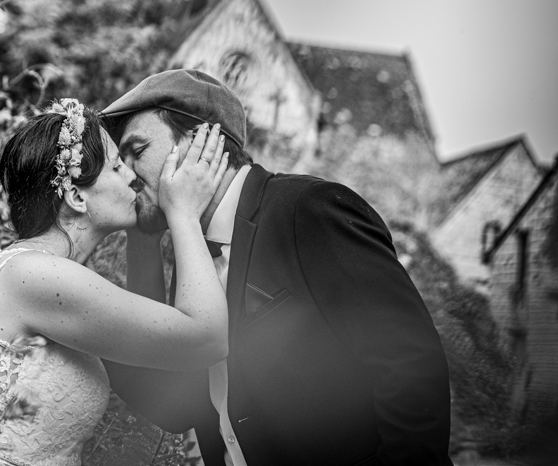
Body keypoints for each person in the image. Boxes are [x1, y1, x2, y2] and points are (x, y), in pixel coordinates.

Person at [101, 69, 453, 466]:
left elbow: (410, 368)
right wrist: (143, 238)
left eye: (137, 149)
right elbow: (173, 403)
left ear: (201, 141)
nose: (127, 172)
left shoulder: (309, 209)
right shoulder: (193, 256)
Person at [0, 98, 231, 466]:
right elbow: (205, 338)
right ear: (76, 196)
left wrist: (144, 237)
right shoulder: (36, 276)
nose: (132, 175)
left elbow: (158, 367)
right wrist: (184, 213)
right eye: (116, 166)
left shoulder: (28, 271)